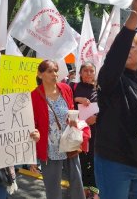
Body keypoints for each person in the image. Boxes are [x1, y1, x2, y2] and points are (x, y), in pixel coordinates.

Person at [94, 0, 137, 199]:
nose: (128, 48)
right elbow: (115, 56)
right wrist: (135, 14)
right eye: (125, 45)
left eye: (133, 46)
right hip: (114, 163)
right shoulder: (111, 79)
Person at [31, 60, 86, 199]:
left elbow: (71, 109)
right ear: (40, 74)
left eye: (56, 70)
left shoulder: (65, 88)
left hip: (69, 142)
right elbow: (33, 124)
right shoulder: (34, 96)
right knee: (52, 186)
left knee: (76, 181)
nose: (54, 74)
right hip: (49, 148)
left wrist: (72, 120)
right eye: (49, 71)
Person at [70, 62, 98, 198]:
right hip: (77, 131)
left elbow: (107, 107)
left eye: (91, 71)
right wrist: (77, 98)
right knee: (79, 161)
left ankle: (93, 191)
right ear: (80, 73)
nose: (88, 73)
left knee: (93, 161)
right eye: (85, 70)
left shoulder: (100, 89)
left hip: (95, 133)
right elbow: (66, 102)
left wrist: (96, 118)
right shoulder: (73, 87)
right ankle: (79, 190)